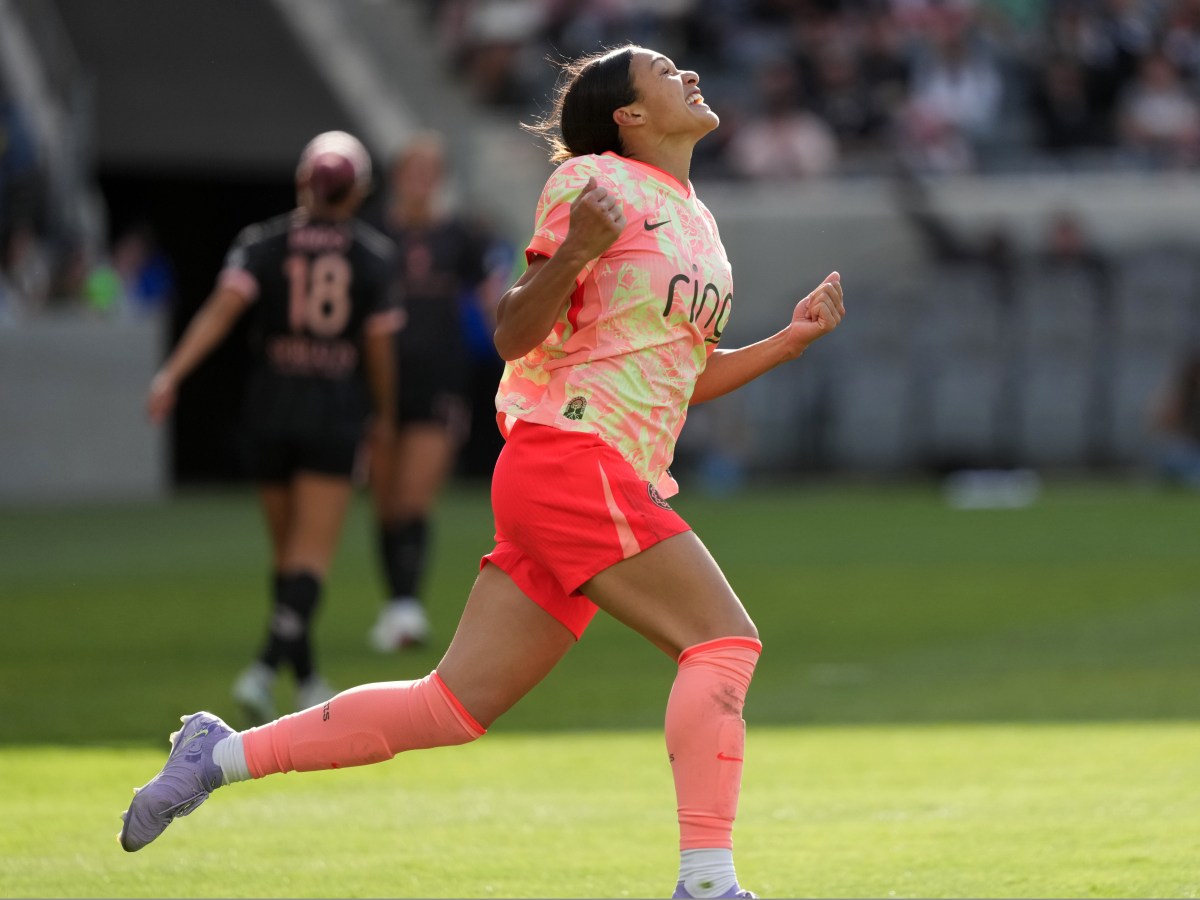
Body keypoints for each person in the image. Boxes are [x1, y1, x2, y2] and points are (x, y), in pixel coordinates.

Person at [118, 46, 844, 899]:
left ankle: (216, 754)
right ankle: (707, 884)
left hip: (591, 471)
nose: (687, 71)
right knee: (723, 644)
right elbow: (510, 333)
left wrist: (786, 343)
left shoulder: (696, 215)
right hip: (575, 458)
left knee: (448, 707)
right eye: (662, 67)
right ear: (628, 115)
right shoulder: (592, 184)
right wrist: (576, 252)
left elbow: (682, 374)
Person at [143, 131, 399, 724]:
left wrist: (172, 373)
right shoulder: (373, 256)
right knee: (308, 557)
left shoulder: (261, 243)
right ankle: (263, 671)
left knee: (286, 554)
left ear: (302, 183)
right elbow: (379, 348)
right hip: (332, 411)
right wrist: (383, 414)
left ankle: (305, 678)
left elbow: (221, 311)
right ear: (357, 190)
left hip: (269, 408)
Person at [366, 130, 504, 652]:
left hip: (440, 379)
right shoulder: (374, 234)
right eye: (413, 169)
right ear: (398, 175)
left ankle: (406, 607)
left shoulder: (461, 238)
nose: (421, 179)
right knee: (383, 500)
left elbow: (493, 302)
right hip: (377, 383)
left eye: (431, 169)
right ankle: (398, 604)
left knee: (413, 497)